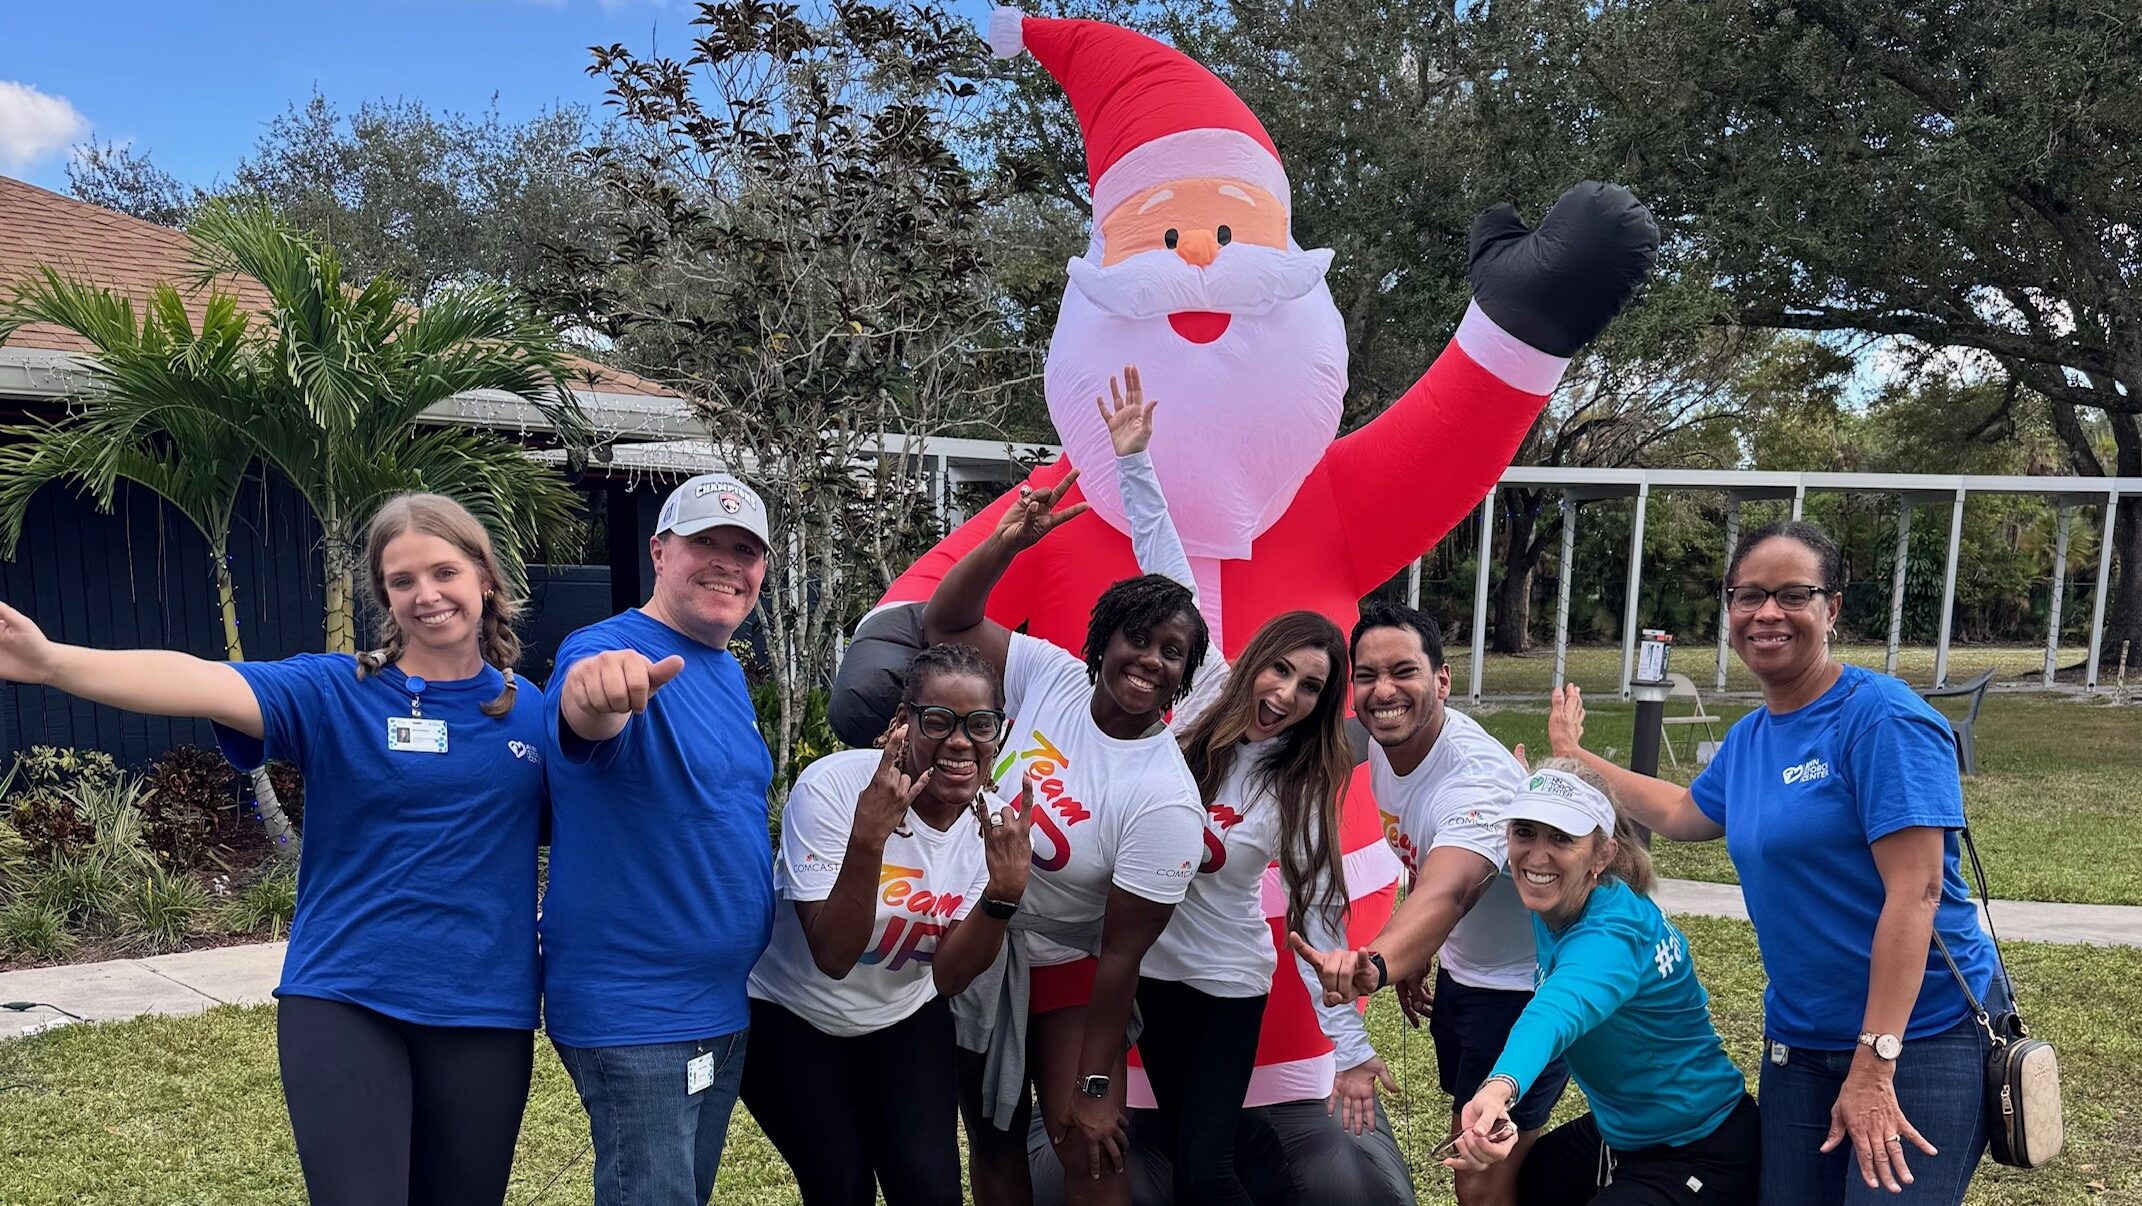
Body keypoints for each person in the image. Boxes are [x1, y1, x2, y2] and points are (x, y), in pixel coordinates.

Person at [0, 493, 546, 1206]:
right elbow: (199, 680)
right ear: (384, 595)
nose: (427, 595)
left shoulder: (534, 709)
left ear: (485, 578)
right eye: (402, 581)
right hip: (346, 998)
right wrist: (50, 663)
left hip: (484, 1008)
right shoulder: (335, 691)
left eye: (444, 572)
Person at [1545, 519, 2004, 1204]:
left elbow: (1918, 893)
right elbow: (1680, 812)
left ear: (1832, 608)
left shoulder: (1881, 720)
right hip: (1799, 1041)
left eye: (1794, 594)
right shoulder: (1753, 737)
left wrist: (1876, 1063)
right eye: (1748, 595)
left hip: (1919, 1039)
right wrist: (1575, 763)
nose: (1767, 613)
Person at [920, 463, 1208, 1206]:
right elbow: (945, 623)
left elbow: (1120, 956)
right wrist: (1003, 546)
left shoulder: (1163, 797)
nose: (1149, 661)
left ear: (1184, 674)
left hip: (1063, 958)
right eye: (1137, 639)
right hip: (969, 925)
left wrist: (1097, 1083)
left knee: (1089, 1142)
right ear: (1103, 639)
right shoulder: (1051, 677)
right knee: (991, 1136)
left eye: (1171, 653)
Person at [541, 471, 778, 1206]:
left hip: (720, 1006)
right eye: (705, 541)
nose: (727, 564)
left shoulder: (726, 672)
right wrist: (598, 693)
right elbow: (589, 707)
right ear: (659, 551)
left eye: (745, 550)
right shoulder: (610, 646)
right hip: (638, 1014)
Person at [1293, 600, 1569, 1206]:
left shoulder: (1476, 780)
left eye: (1404, 671)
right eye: (1366, 676)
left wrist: (1379, 960)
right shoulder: (1383, 739)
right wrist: (1423, 951)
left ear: (1442, 679)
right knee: (1491, 1164)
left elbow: (1450, 884)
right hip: (1469, 982)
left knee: (1477, 1180)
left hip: (1524, 995)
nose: (1383, 690)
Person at [742, 643, 1035, 1206]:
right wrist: (869, 838)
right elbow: (831, 956)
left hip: (903, 1017)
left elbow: (948, 978)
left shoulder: (995, 828)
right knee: (841, 1188)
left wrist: (1002, 896)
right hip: (792, 1015)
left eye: (979, 723)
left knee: (930, 1191)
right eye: (937, 721)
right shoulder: (831, 789)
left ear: (998, 731)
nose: (959, 740)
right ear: (902, 724)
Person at [1439, 759, 1759, 1205]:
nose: (1536, 856)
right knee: (1534, 1182)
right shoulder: (1564, 897)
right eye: (1524, 831)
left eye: (1561, 837)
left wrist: (1498, 1087)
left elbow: (1555, 1012)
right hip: (1623, 1133)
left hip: (1698, 1147)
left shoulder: (1610, 936)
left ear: (1603, 854)